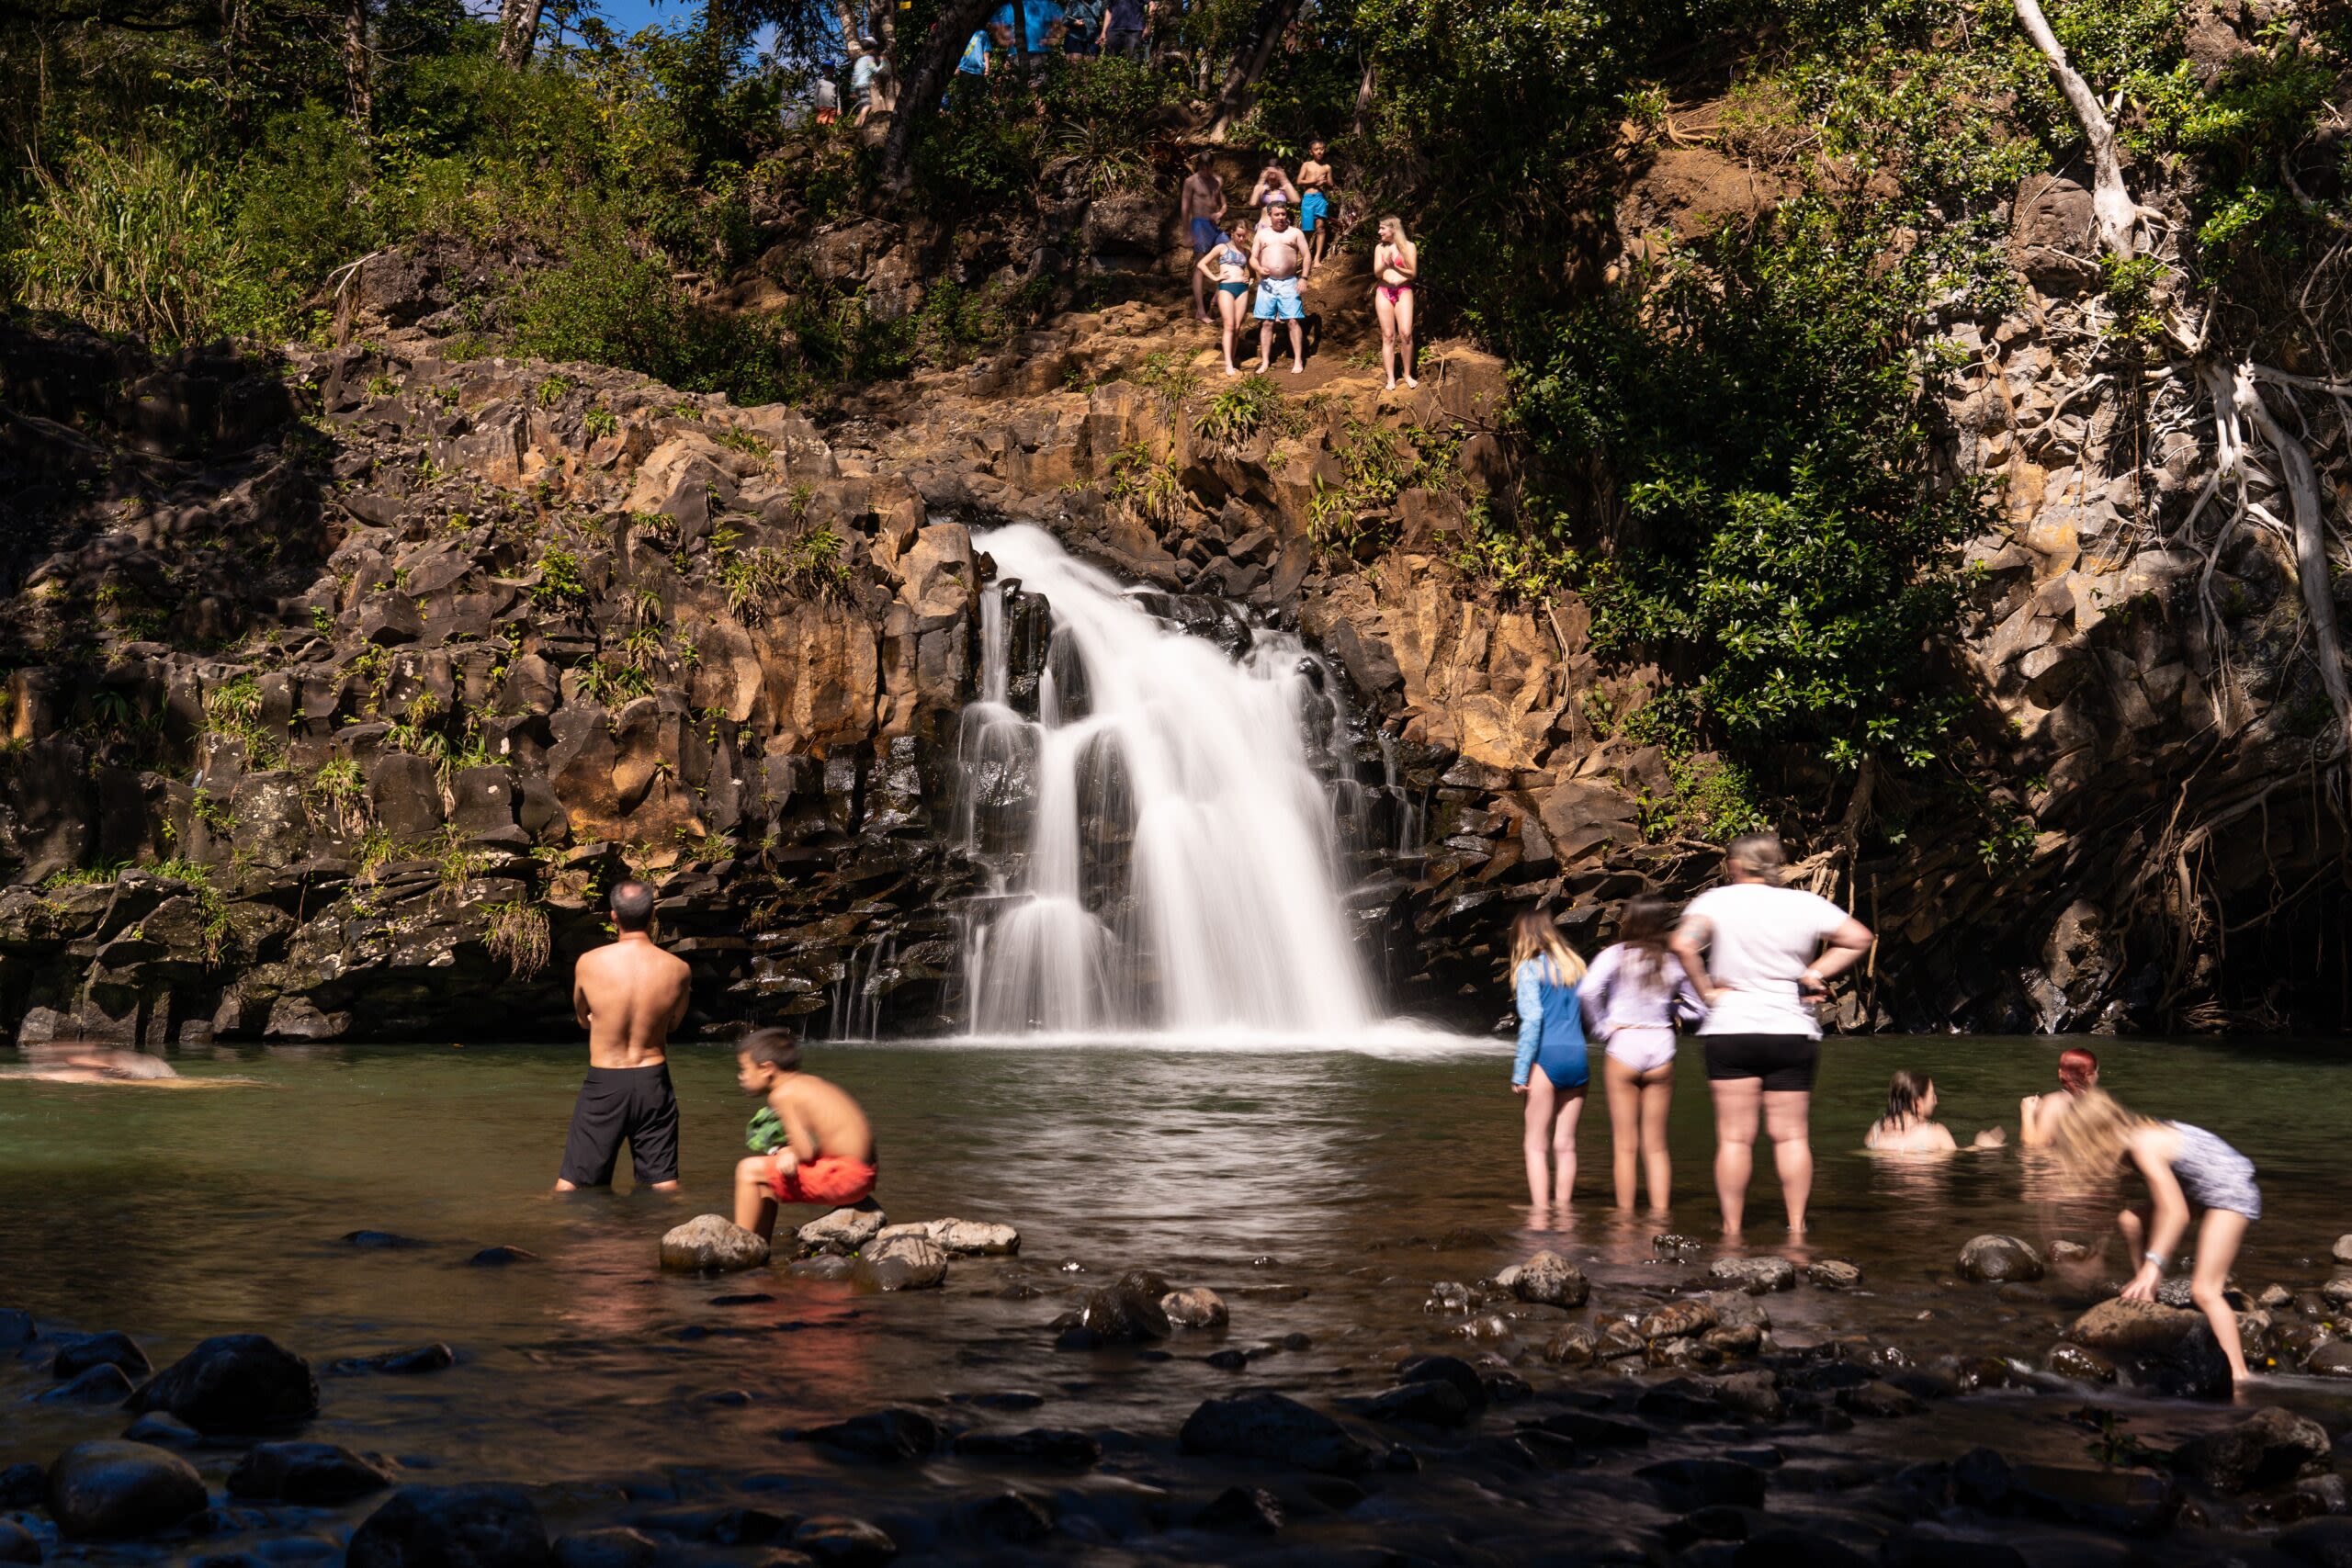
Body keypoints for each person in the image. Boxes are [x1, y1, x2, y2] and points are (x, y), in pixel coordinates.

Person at [1668, 832, 1872, 1238]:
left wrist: (1707, 990)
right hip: (1789, 1029)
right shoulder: (1803, 903)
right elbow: (1859, 938)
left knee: (1734, 1139)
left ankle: (1731, 1231)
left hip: (1732, 1028)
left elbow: (1682, 944)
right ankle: (1796, 1229)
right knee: (1793, 1136)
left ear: (1735, 865)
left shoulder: (1715, 902)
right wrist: (1813, 972)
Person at [2050, 1089, 2259, 1385]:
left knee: (2205, 1292)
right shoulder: (2133, 1138)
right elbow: (2123, 1210)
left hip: (2231, 1192)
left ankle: (2238, 1375)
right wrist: (2096, 1251)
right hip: (2205, 1187)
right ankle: (2149, 1296)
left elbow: (2175, 1212)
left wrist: (2154, 1264)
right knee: (2130, 1220)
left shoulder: (2143, 1145)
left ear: (2098, 1136)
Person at [557, 880, 692, 1192]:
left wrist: (598, 1020)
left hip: (605, 1081)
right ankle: (673, 1235)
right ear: (653, 915)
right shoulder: (679, 969)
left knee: (572, 1185)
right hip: (653, 1080)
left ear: (613, 916)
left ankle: (560, 1236)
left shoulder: (589, 963)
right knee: (664, 1183)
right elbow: (673, 1024)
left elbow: (582, 1019)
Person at [1579, 895, 1699, 1213]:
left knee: (1625, 1146)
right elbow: (1699, 1007)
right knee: (1656, 1147)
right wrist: (1676, 1014)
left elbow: (1587, 991)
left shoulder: (1615, 955)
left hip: (1625, 1044)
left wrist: (1603, 1028)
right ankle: (1660, 1218)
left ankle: (1625, 1221)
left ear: (1630, 920)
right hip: (1661, 1045)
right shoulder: (1672, 960)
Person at [732, 1028, 878, 1241]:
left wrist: (787, 1152)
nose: (741, 1077)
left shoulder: (783, 1094)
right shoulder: (810, 1083)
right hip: (863, 1175)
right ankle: (759, 1245)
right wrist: (789, 1151)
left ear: (766, 1068)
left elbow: (805, 1151)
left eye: (744, 1069)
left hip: (845, 1178)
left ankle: (738, 1245)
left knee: (747, 1170)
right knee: (766, 1179)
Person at [1509, 909, 1589, 1213]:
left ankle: (1541, 1216)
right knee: (1565, 1144)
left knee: (1535, 1145)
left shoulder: (1530, 969)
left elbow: (1533, 1020)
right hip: (1578, 1056)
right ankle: (1565, 1214)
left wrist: (1520, 1072)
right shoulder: (1576, 968)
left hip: (1546, 1057)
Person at [1864, 1070, 2007, 1153]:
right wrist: (1981, 1146)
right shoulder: (1935, 1133)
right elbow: (1956, 1158)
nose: (1936, 1101)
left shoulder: (1875, 1131)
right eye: (1932, 1095)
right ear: (1918, 1102)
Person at [1249, 203, 1312, 374]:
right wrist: (1259, 269)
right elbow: (1253, 258)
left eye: (1283, 214)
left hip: (1290, 282)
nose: (1281, 217)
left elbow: (1306, 255)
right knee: (1267, 322)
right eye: (1277, 214)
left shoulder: (1295, 233)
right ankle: (1265, 362)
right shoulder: (1262, 234)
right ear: (1270, 216)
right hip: (1267, 284)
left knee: (1292, 320)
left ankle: (1298, 360)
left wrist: (1304, 278)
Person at [1195, 222, 1253, 375]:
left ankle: (1232, 360)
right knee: (1229, 324)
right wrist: (1215, 277)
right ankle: (1228, 364)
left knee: (1237, 327)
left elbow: (1253, 271)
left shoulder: (1247, 252)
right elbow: (1201, 264)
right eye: (1238, 235)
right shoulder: (1221, 248)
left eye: (1244, 235)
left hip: (1242, 290)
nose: (1241, 238)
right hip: (1226, 288)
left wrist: (1251, 279)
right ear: (1232, 233)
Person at [2019, 1046, 2099, 1147]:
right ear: (2091, 1075)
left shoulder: (2055, 1103)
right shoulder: (2101, 1105)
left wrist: (2027, 1112)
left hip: (2061, 1162)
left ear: (2061, 1073)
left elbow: (2033, 1151)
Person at [1372, 215, 1418, 390]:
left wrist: (1395, 266)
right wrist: (1385, 264)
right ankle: (1391, 378)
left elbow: (1413, 273)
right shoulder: (1379, 248)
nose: (1379, 232)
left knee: (1406, 333)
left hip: (1404, 291)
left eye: (1383, 228)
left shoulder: (1409, 246)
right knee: (1388, 335)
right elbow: (1377, 273)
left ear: (1393, 229)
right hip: (1384, 291)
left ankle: (1407, 374)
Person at [1180, 153, 1227, 323]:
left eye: (1209, 167)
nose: (1206, 170)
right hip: (1199, 224)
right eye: (1203, 167)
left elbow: (1224, 204)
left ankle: (1216, 298)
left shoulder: (1217, 180)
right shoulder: (1190, 181)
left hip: (1214, 226)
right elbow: (1185, 208)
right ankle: (1201, 311)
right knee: (1200, 264)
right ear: (1199, 166)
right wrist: (1186, 233)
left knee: (1230, 253)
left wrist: (1220, 213)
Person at [1296, 140, 1333, 265]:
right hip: (1308, 199)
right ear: (1311, 151)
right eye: (1316, 149)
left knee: (1320, 227)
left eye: (1322, 148)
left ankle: (1317, 258)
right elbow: (1299, 181)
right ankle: (1305, 258)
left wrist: (1325, 182)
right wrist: (1314, 181)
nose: (1319, 151)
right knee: (1307, 230)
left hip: (1320, 199)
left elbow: (1331, 184)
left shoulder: (1327, 167)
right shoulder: (1306, 165)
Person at [1247, 163, 1302, 229]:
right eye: (1269, 168)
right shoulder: (1261, 187)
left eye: (1275, 168)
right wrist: (1261, 179)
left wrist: (1284, 178)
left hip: (1282, 226)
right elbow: (1253, 203)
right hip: (1265, 225)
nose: (1272, 170)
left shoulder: (1284, 188)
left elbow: (1296, 200)